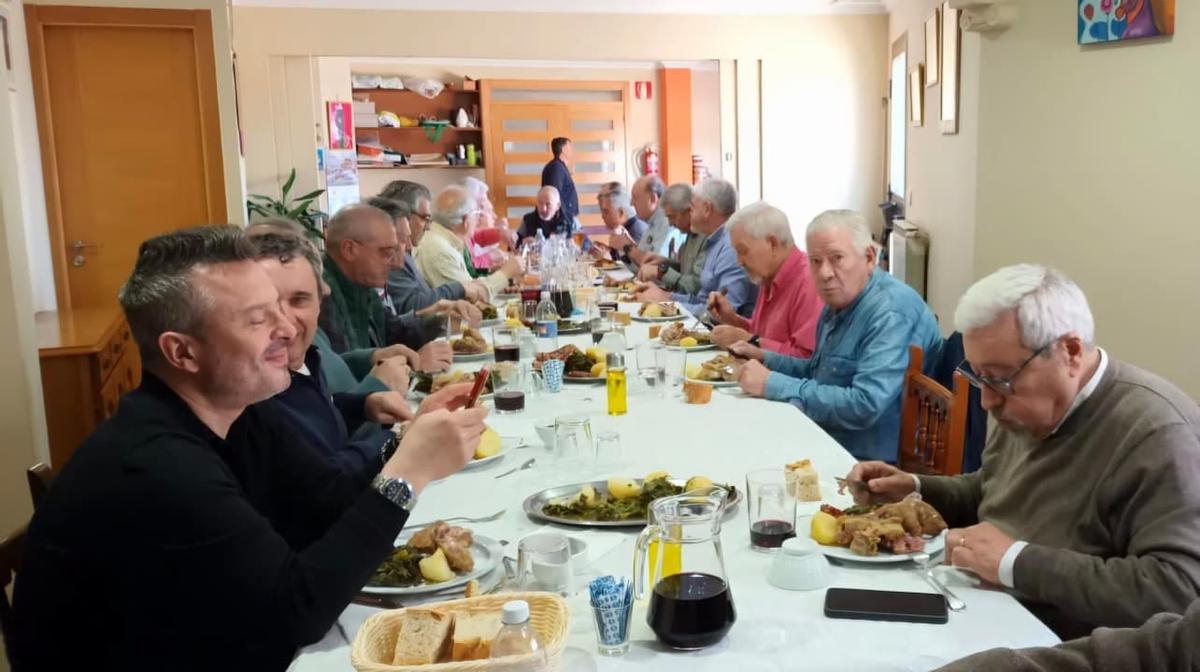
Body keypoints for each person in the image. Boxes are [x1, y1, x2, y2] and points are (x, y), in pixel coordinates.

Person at [9, 225, 488, 670]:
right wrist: (408, 474)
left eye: (284, 306)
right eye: (259, 319)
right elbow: (297, 611)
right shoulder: (155, 468)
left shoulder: (241, 414)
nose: (288, 328)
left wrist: (410, 441)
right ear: (183, 352)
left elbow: (328, 500)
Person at [847, 264, 1200, 638]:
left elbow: (1180, 591)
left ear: (1071, 352)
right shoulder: (1019, 403)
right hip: (977, 607)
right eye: (979, 376)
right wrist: (917, 489)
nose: (985, 401)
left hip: (1061, 645)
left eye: (998, 378)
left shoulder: (1157, 433)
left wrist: (1017, 562)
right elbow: (995, 489)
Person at [729, 209, 941, 462]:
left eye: (837, 258)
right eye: (816, 261)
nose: (824, 273)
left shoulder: (891, 312)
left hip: (869, 462)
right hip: (831, 438)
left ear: (869, 258)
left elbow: (865, 404)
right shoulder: (840, 302)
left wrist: (772, 383)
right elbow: (820, 371)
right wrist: (765, 358)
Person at [251, 231, 412, 472]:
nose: (284, 321)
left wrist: (361, 405)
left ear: (320, 298)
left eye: (299, 300)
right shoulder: (250, 391)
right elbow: (323, 485)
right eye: (265, 306)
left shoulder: (307, 356)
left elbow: (315, 413)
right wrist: (399, 441)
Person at [246, 217, 441, 393]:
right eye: (387, 252)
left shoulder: (358, 288)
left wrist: (373, 357)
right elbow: (323, 419)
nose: (398, 264)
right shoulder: (261, 372)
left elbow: (330, 367)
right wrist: (376, 388)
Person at [935, 599, 1200, 671]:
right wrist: (919, 483)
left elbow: (1174, 585)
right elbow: (1165, 654)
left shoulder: (1164, 464)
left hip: (1051, 625)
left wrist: (1018, 560)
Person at [707, 202, 823, 358]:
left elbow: (806, 360)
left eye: (743, 251)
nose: (739, 262)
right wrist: (732, 319)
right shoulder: (769, 273)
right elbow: (761, 335)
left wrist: (750, 341)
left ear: (772, 243)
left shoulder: (808, 282)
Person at [634, 178, 756, 317]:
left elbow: (723, 315)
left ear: (706, 209)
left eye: (691, 208)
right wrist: (666, 297)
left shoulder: (730, 247)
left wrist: (668, 304)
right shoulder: (714, 241)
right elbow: (700, 299)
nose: (689, 214)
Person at [369, 196, 489, 316]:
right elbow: (409, 307)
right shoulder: (434, 248)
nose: (410, 247)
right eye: (401, 240)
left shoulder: (379, 282)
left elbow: (393, 327)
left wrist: (436, 320)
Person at [414, 185, 522, 299]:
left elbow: (468, 282)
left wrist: (492, 272)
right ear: (466, 221)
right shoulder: (439, 250)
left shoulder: (444, 239)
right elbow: (470, 297)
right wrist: (505, 274)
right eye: (476, 214)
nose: (477, 220)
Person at [638, 183, 706, 296]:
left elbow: (696, 286)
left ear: (689, 211)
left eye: (672, 216)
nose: (670, 223)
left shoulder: (706, 235)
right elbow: (685, 272)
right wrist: (664, 263)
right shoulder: (689, 233)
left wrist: (660, 272)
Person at [606, 175, 680, 267]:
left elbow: (655, 267)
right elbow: (637, 268)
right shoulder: (651, 224)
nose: (632, 203)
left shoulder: (668, 223)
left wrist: (627, 246)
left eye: (636, 198)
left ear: (652, 198)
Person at [595, 183, 647, 262]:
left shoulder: (636, 231)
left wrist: (608, 259)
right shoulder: (623, 228)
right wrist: (608, 250)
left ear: (621, 213)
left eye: (606, 211)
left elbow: (635, 270)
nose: (602, 216)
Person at [541, 136, 578, 223]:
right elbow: (554, 195)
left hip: (567, 217)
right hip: (563, 219)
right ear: (563, 150)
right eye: (570, 147)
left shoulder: (559, 167)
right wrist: (564, 220)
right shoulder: (556, 168)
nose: (572, 150)